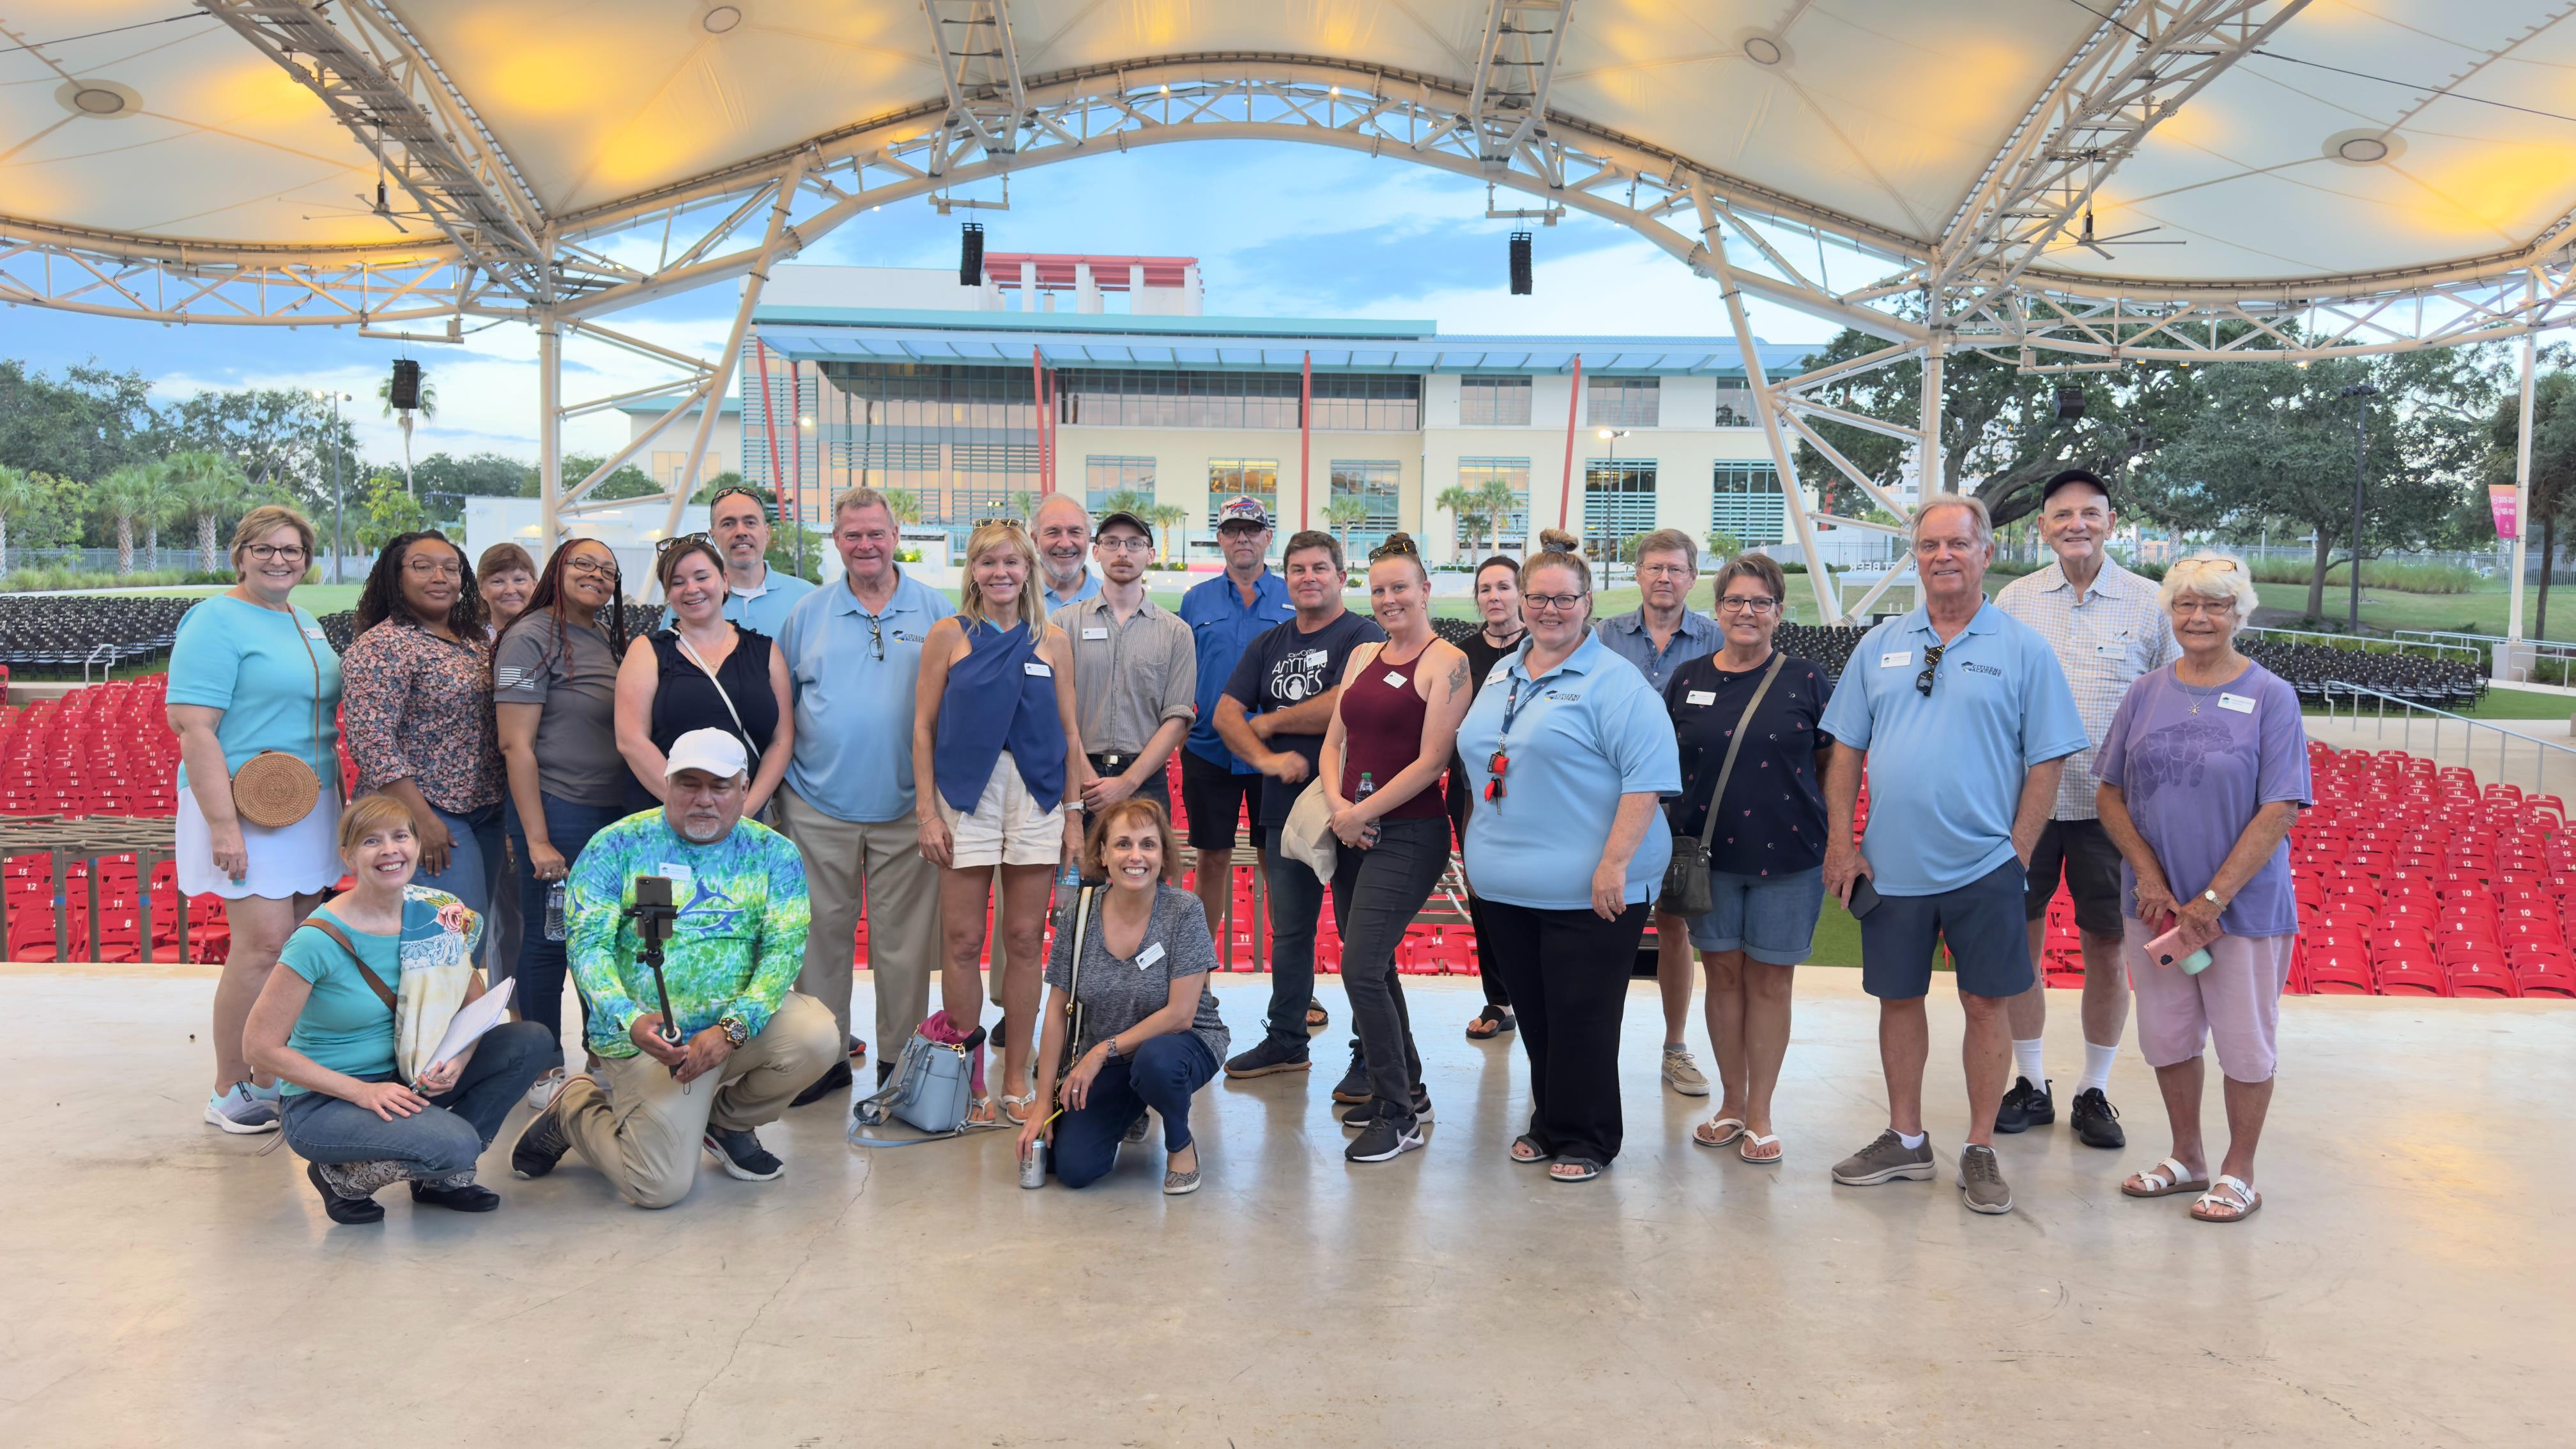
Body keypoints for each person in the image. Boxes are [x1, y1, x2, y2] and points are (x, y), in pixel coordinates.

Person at [1820, 494, 2089, 1216]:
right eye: (1930, 544)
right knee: (1897, 1000)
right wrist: (1843, 843)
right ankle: (1906, 1139)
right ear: (1916, 555)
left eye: (1958, 545)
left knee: (1985, 1003)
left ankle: (1979, 1147)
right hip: (1892, 868)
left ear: (1986, 553)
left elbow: (2048, 760)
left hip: (1984, 869)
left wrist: (2018, 850)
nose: (1944, 556)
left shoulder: (2024, 648)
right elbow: (1845, 748)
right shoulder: (1880, 645)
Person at [509, 730, 841, 1208]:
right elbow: (588, 949)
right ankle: (576, 1109)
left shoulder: (774, 854)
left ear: (744, 790)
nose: (703, 799)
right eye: (688, 784)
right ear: (666, 784)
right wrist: (630, 1019)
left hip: (730, 1033)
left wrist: (733, 1029)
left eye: (720, 786)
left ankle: (726, 1123)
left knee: (818, 1036)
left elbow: (784, 952)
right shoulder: (617, 846)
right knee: (658, 1188)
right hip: (646, 1041)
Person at [1455, 531, 1679, 1183]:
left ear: (1588, 604)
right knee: (1540, 1016)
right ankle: (1548, 1121)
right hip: (1506, 884)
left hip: (1592, 886)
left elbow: (1647, 778)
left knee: (1584, 1015)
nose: (1549, 610)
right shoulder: (1502, 670)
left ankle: (1588, 1137)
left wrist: (1613, 863)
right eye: (1537, 598)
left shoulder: (1616, 682)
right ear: (1520, 603)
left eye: (1564, 599)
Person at [2096, 554, 2308, 1224]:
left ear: (2239, 614)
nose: (2199, 617)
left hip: (2237, 911)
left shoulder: (2270, 696)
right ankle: (2187, 1157)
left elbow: (2280, 807)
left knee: (2245, 1041)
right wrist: (2152, 877)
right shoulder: (2146, 692)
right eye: (2187, 605)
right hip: (2156, 908)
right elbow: (2109, 793)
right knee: (2168, 1035)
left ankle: (2239, 1172)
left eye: (2215, 605)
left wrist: (2211, 899)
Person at [247, 795, 557, 1224]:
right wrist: (363, 1092)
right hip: (327, 1100)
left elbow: (474, 1002)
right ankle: (341, 1178)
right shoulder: (316, 939)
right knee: (456, 1146)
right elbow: (259, 1048)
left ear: (415, 844)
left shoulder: (438, 912)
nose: (390, 850)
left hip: (410, 1073)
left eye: (400, 836)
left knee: (531, 1040)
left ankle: (440, 1178)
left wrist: (457, 1058)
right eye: (372, 841)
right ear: (348, 857)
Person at [1993, 468, 2178, 1148]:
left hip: (2114, 812)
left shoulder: (2152, 604)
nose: (2076, 524)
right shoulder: (2013, 603)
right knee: (2021, 945)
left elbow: (2175, 704)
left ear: (2110, 522)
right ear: (2042, 526)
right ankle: (2030, 1080)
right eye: (2062, 514)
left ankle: (2093, 1089)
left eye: (2090, 513)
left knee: (2107, 946)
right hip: (2026, 808)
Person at [774, 487, 956, 1100]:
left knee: (903, 945)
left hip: (910, 809)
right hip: (816, 804)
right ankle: (822, 1059)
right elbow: (785, 710)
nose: (865, 545)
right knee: (819, 939)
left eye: (875, 533)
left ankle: (898, 1063)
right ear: (836, 542)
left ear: (897, 534)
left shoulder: (937, 611)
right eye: (852, 535)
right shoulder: (807, 615)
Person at [169, 505, 343, 1134]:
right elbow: (195, 728)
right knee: (262, 946)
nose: (280, 560)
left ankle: (273, 1072)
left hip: (309, 804)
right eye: (265, 549)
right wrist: (223, 826)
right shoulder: (214, 619)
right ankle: (229, 1088)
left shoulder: (305, 619)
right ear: (239, 554)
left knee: (299, 947)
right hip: (242, 806)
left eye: (292, 550)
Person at [1663, 553, 1835, 1165]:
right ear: (1718, 608)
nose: (1746, 612)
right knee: (1724, 976)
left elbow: (1827, 767)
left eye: (1760, 602)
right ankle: (1731, 1103)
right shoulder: (1685, 679)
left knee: (1770, 981)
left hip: (1790, 854)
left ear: (1779, 613)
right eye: (1735, 600)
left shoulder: (1809, 681)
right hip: (1710, 856)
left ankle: (1760, 1110)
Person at [915, 519, 1087, 1126]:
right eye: (988, 563)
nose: (1001, 574)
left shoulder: (1054, 641)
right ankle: (963, 1078)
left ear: (1029, 570)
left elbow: (1070, 735)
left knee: (1022, 941)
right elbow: (923, 728)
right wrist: (927, 810)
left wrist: (1073, 818)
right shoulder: (949, 635)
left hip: (1036, 801)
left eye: (1012, 562)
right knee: (961, 943)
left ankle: (1016, 1074)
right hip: (967, 797)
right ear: (972, 572)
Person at [1312, 533, 1473, 1162]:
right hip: (1353, 828)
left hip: (1408, 833)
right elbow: (1334, 744)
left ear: (1426, 590)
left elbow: (1433, 760)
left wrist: (1360, 813)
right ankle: (1408, 1091)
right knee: (1371, 964)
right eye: (1378, 590)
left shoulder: (1447, 662)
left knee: (1358, 968)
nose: (1388, 599)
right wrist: (1338, 811)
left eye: (1400, 587)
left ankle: (1399, 1115)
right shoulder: (1361, 657)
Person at [1213, 530, 1386, 1092]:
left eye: (1320, 568)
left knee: (1362, 939)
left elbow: (1348, 701)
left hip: (1352, 807)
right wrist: (1265, 757)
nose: (1308, 577)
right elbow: (1224, 715)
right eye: (1297, 570)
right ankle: (1287, 1040)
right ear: (1284, 578)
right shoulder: (1270, 641)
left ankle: (1372, 1054)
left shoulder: (1363, 635)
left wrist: (1271, 721)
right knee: (1290, 932)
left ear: (1341, 575)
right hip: (1285, 812)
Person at [1019, 799, 1231, 1193]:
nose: (1136, 856)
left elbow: (1181, 1016)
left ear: (1163, 854)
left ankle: (1180, 1143)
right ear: (1102, 853)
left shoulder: (1184, 911)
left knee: (1156, 1062)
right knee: (1073, 1169)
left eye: (1148, 845)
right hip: (1111, 1060)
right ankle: (1131, 1106)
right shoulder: (1078, 915)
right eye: (1123, 844)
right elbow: (1055, 1011)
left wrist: (1101, 1052)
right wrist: (1042, 1103)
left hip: (1181, 1045)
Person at [494, 536, 633, 1102]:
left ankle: (603, 1052)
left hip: (611, 815)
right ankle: (543, 1065)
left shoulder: (600, 635)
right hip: (558, 811)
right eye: (585, 564)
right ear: (557, 568)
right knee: (551, 941)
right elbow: (514, 744)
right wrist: (537, 839)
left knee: (602, 940)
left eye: (608, 571)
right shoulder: (528, 638)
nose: (597, 576)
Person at [1595, 528, 1726, 1101]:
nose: (1664, 578)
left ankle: (1675, 1048)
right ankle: (1592, 1048)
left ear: (1693, 578)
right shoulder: (1604, 636)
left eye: (1676, 569)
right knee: (1600, 924)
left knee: (1675, 927)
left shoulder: (1717, 638)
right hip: (1611, 804)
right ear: (1638, 574)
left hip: (1688, 803)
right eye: (1654, 568)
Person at [342, 532, 504, 924]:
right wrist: (421, 822)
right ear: (396, 578)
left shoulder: (475, 641)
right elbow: (372, 743)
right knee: (453, 936)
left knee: (470, 934)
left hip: (485, 808)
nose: (440, 577)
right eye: (423, 567)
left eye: (451, 569)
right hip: (426, 809)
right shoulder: (384, 646)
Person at [1176, 496, 1295, 963]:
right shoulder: (1195, 600)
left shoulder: (1293, 596)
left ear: (1268, 538)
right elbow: (1181, 673)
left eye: (1252, 530)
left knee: (1280, 864)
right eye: (1232, 531)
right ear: (1220, 539)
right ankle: (1198, 978)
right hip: (1209, 751)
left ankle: (1296, 984)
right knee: (1212, 860)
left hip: (1275, 753)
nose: (1242, 538)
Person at [615, 537, 793, 819]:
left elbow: (782, 740)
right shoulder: (647, 651)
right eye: (677, 582)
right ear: (668, 593)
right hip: (664, 815)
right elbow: (631, 740)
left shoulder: (765, 652)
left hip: (743, 819)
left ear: (724, 581)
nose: (691, 589)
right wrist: (690, 807)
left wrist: (741, 812)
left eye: (701, 577)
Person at [1052, 509, 1195, 815]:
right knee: (1078, 864)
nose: (1122, 553)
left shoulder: (1176, 632)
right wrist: (1090, 782)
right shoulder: (1064, 624)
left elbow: (1177, 718)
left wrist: (1127, 783)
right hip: (1077, 775)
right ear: (1096, 552)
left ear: (1150, 554)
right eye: (1112, 543)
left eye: (1134, 544)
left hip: (1146, 780)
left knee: (1140, 865)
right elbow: (1054, 709)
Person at [1450, 556, 1525, 1041]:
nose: (1494, 596)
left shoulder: (1541, 646)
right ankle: (1499, 997)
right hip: (1474, 793)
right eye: (1485, 588)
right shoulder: (1460, 656)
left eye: (1503, 586)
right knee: (1483, 892)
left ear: (1521, 593)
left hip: (1533, 791)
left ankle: (1535, 991)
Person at [475, 540, 537, 990]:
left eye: (519, 578)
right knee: (502, 914)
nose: (510, 588)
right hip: (485, 792)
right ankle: (507, 1007)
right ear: (481, 588)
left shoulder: (548, 640)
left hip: (536, 786)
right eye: (498, 580)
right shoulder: (472, 646)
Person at [684, 484, 816, 637]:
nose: (741, 532)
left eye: (750, 522)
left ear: (767, 533)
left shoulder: (806, 597)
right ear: (713, 537)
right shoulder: (692, 600)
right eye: (728, 524)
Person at [1032, 491, 1102, 609]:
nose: (1065, 544)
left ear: (1088, 538)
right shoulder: (1016, 599)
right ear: (1036, 541)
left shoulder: (1111, 600)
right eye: (1053, 532)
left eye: (1075, 532)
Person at [477, 542, 536, 634]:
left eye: (519, 580)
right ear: (481, 588)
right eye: (498, 582)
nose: (510, 591)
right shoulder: (465, 644)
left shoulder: (554, 637)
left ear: (535, 584)